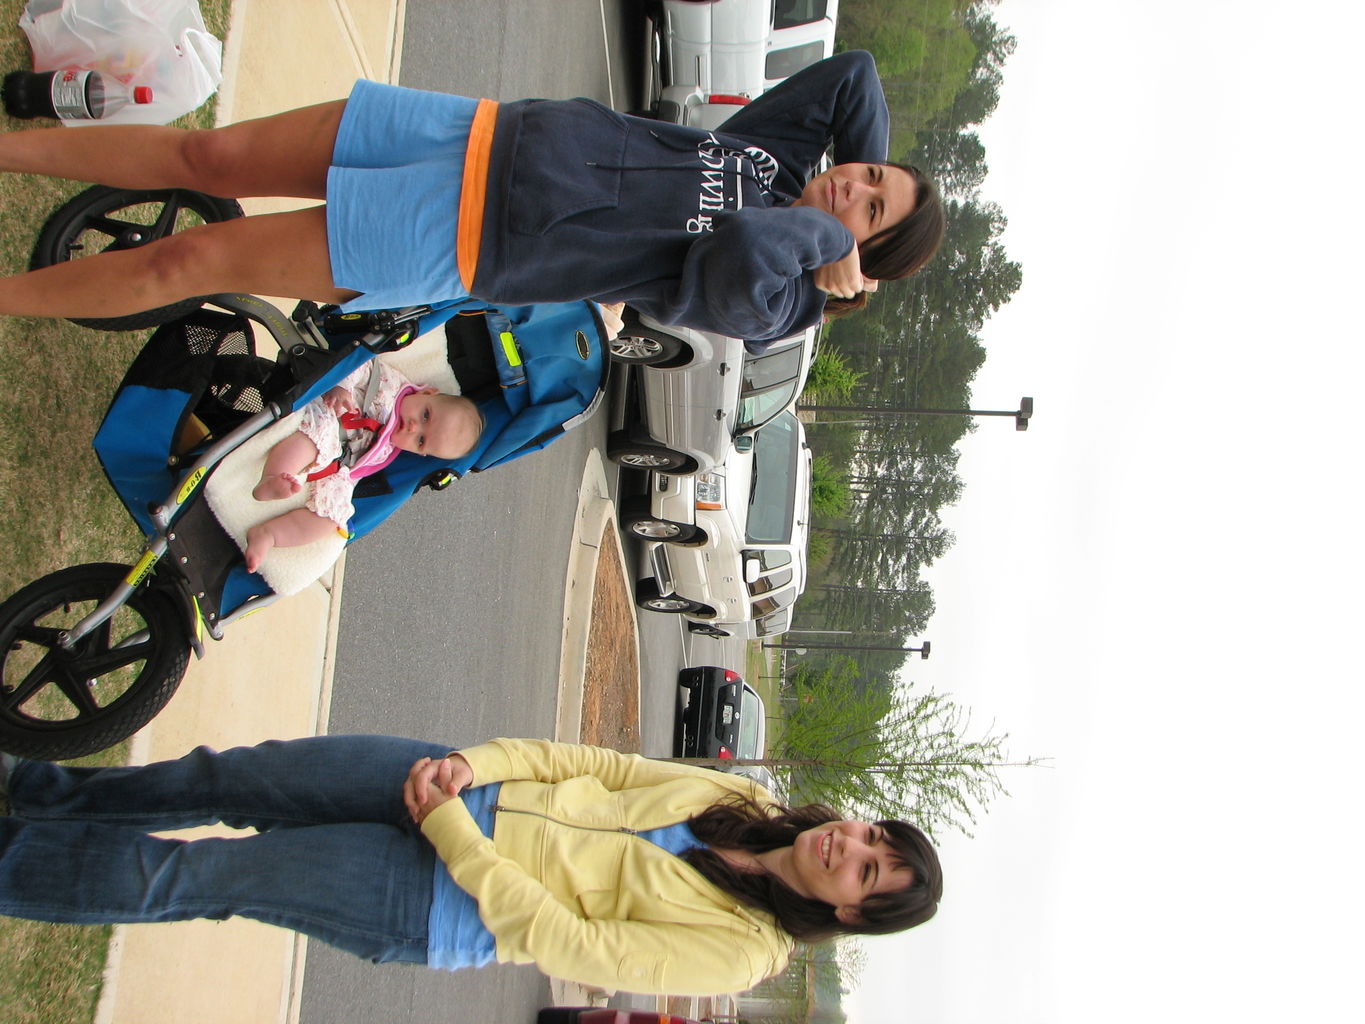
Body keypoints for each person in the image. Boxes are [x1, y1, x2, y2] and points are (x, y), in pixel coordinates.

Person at [0, 51, 943, 346]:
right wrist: (855, 204)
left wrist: (826, 250)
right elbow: (852, 78)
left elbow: (739, 256)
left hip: (459, 236)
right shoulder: (777, 165)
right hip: (472, 132)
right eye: (864, 174)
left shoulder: (780, 303)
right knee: (211, 154)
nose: (848, 184)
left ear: (864, 255)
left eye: (867, 206)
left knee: (190, 261)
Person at [0, 736, 943, 995]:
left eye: (867, 875)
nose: (850, 849)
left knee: (194, 879)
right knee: (225, 779)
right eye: (872, 838)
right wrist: (472, 768)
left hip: (436, 899)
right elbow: (597, 766)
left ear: (851, 916)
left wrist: (454, 833)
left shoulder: (741, 954)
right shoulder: (747, 805)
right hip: (447, 781)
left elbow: (565, 941)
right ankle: (34, 790)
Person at [243, 360, 482, 571]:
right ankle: (271, 478)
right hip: (328, 416)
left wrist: (338, 491)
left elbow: (356, 470)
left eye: (420, 440)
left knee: (332, 519)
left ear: (421, 452)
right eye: (425, 416)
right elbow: (359, 366)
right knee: (310, 443)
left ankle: (270, 534)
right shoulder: (390, 384)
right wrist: (341, 388)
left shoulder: (390, 450)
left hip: (338, 462)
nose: (413, 427)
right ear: (428, 392)